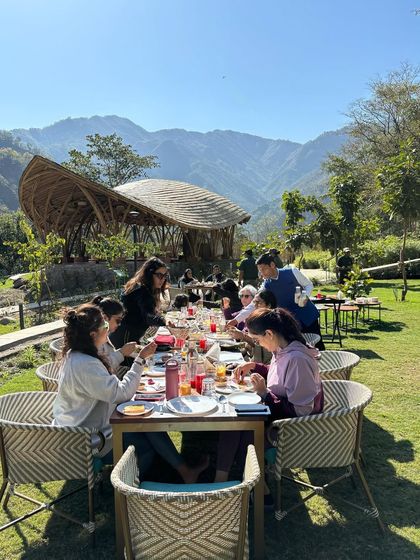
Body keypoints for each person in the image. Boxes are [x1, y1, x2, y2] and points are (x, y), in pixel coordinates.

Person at [53, 304, 207, 482]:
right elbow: (122, 393)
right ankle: (129, 487)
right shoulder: (85, 363)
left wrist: (128, 356)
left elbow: (103, 377)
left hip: (78, 428)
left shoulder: (77, 355)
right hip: (88, 440)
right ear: (92, 335)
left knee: (147, 422)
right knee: (146, 445)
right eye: (104, 325)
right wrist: (140, 359)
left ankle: (183, 470)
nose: (108, 328)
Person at [215, 307, 323, 489]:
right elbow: (280, 377)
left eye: (258, 340)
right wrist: (254, 366)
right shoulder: (284, 350)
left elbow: (301, 411)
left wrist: (265, 394)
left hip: (294, 429)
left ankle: (259, 490)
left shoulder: (297, 359)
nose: (259, 344)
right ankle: (223, 482)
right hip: (278, 415)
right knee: (233, 421)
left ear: (269, 334)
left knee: (241, 427)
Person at [227, 252, 325, 349]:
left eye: (264, 269)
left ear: (272, 265)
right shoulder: (266, 285)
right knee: (298, 348)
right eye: (259, 270)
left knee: (317, 346)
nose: (261, 273)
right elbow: (253, 304)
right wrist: (235, 320)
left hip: (308, 315)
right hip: (291, 322)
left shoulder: (292, 272)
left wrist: (304, 296)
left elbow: (308, 285)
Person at [110, 257, 168, 349]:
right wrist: (165, 321)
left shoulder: (141, 287)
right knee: (131, 363)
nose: (163, 279)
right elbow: (148, 317)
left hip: (127, 333)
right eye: (159, 275)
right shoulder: (142, 290)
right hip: (126, 336)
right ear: (149, 273)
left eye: (165, 276)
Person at [90, 295, 137, 377]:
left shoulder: (104, 333)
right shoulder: (96, 338)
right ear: (105, 317)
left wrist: (125, 351)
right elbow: (101, 368)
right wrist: (121, 353)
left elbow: (107, 357)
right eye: (118, 320)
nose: (119, 324)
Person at [228, 289, 276, 364]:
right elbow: (250, 347)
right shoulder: (258, 319)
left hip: (264, 368)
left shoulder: (273, 323)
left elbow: (263, 348)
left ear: (269, 305)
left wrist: (242, 336)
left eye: (259, 303)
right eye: (254, 302)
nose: (255, 306)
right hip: (252, 362)